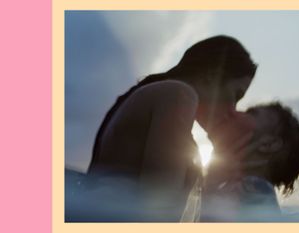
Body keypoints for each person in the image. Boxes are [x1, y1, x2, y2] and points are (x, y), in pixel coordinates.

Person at [66, 35, 257, 222]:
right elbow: (159, 208)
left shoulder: (157, 95)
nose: (233, 110)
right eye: (236, 95)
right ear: (212, 75)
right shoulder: (178, 93)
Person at [201, 101, 299, 222]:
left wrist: (210, 185)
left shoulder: (254, 190)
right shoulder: (253, 190)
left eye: (251, 113)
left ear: (268, 144)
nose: (232, 111)